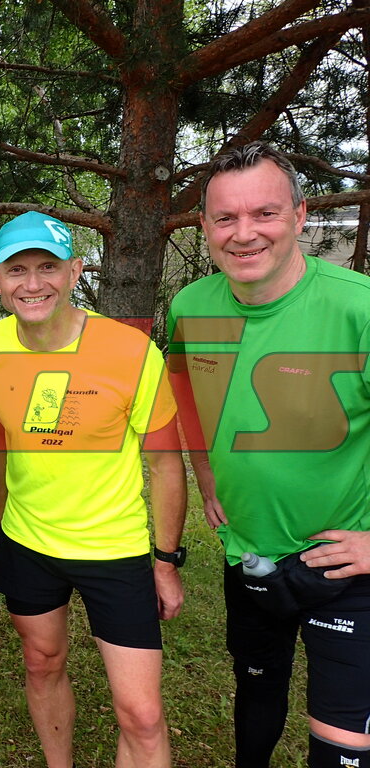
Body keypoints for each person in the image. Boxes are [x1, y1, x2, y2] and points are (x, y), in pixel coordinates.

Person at [167, 141, 370, 768]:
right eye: (225, 217)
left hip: (347, 566)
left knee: (342, 747)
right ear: (205, 227)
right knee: (256, 699)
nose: (244, 233)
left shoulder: (358, 306)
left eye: (265, 213)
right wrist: (206, 477)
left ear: (301, 215)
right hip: (249, 553)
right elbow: (188, 399)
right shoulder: (191, 307)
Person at [0, 211, 187, 768]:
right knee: (42, 663)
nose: (33, 283)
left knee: (141, 714)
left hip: (114, 549)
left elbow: (165, 464)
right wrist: (0, 524)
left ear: (75, 271)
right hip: (28, 542)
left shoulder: (133, 352)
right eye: (17, 270)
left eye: (48, 267)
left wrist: (165, 561)